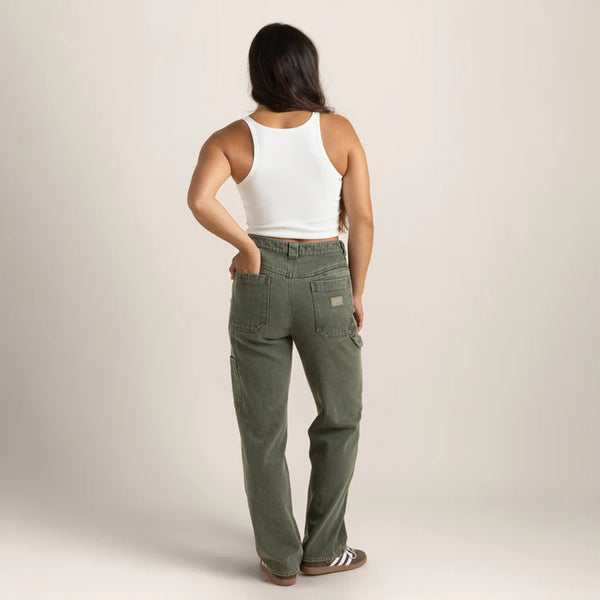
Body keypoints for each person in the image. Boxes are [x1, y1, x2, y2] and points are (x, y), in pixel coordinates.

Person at [187, 22, 374, 586]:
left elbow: (200, 199)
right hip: (327, 281)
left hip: (259, 283)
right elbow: (363, 219)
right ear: (306, 69)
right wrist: (356, 290)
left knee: (262, 429)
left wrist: (248, 247)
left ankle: (278, 558)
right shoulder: (338, 130)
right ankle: (324, 549)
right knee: (340, 416)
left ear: (258, 71)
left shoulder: (231, 138)